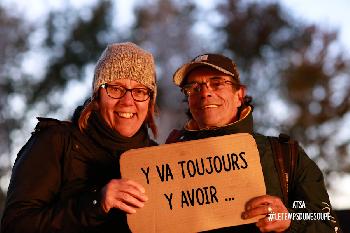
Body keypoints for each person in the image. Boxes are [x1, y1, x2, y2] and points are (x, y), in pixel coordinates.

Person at [166, 53, 341, 233]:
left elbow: (324, 220)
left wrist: (289, 219)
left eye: (217, 83)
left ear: (239, 95)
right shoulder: (167, 162)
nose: (204, 92)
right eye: (193, 87)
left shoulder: (285, 155)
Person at [1, 42, 158, 233]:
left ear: (150, 100)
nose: (127, 101)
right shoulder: (56, 142)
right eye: (116, 89)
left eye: (140, 91)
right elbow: (15, 225)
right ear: (97, 95)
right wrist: (96, 203)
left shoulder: (157, 158)